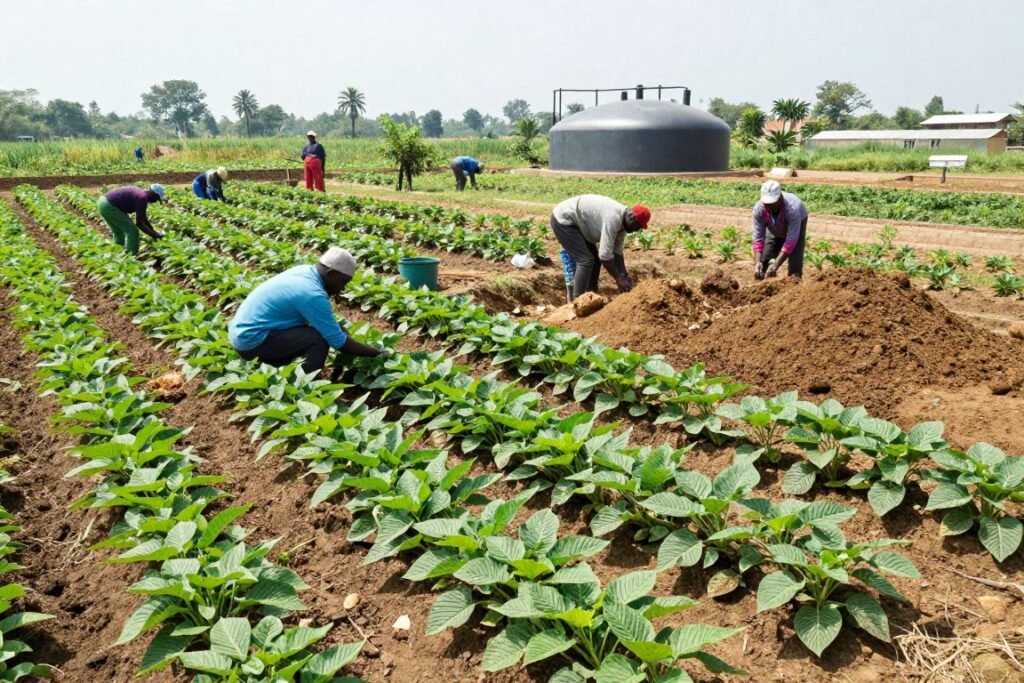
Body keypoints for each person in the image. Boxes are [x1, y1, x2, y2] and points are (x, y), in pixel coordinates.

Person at [228, 247, 387, 373]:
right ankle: (305, 386)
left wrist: (341, 331)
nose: (342, 288)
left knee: (328, 331)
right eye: (343, 282)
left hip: (243, 333)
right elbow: (339, 343)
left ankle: (274, 366)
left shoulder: (304, 271)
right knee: (319, 339)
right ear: (331, 273)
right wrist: (376, 353)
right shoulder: (312, 294)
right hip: (252, 341)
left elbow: (332, 329)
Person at [550, 194, 650, 300]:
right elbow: (605, 256)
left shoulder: (623, 224)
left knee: (595, 261)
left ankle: (591, 295)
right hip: (564, 219)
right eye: (638, 226)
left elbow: (617, 252)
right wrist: (618, 278)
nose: (637, 230)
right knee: (586, 260)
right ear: (632, 217)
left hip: (580, 224)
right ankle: (577, 301)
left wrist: (624, 275)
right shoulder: (613, 218)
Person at [752, 180, 808, 280]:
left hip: (797, 223)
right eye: (766, 203)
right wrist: (757, 263)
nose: (768, 206)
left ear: (780, 198)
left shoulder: (792, 208)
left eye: (772, 203)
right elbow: (758, 238)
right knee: (763, 260)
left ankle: (794, 288)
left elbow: (791, 241)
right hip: (775, 228)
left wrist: (775, 266)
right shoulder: (759, 209)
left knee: (795, 266)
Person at [96, 184, 165, 256]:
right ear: (154, 195)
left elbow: (144, 219)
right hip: (110, 206)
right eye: (157, 199)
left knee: (118, 232)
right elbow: (139, 223)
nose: (155, 201)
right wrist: (154, 235)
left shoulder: (140, 194)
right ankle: (130, 257)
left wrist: (154, 231)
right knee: (132, 231)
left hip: (103, 203)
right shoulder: (142, 198)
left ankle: (116, 254)